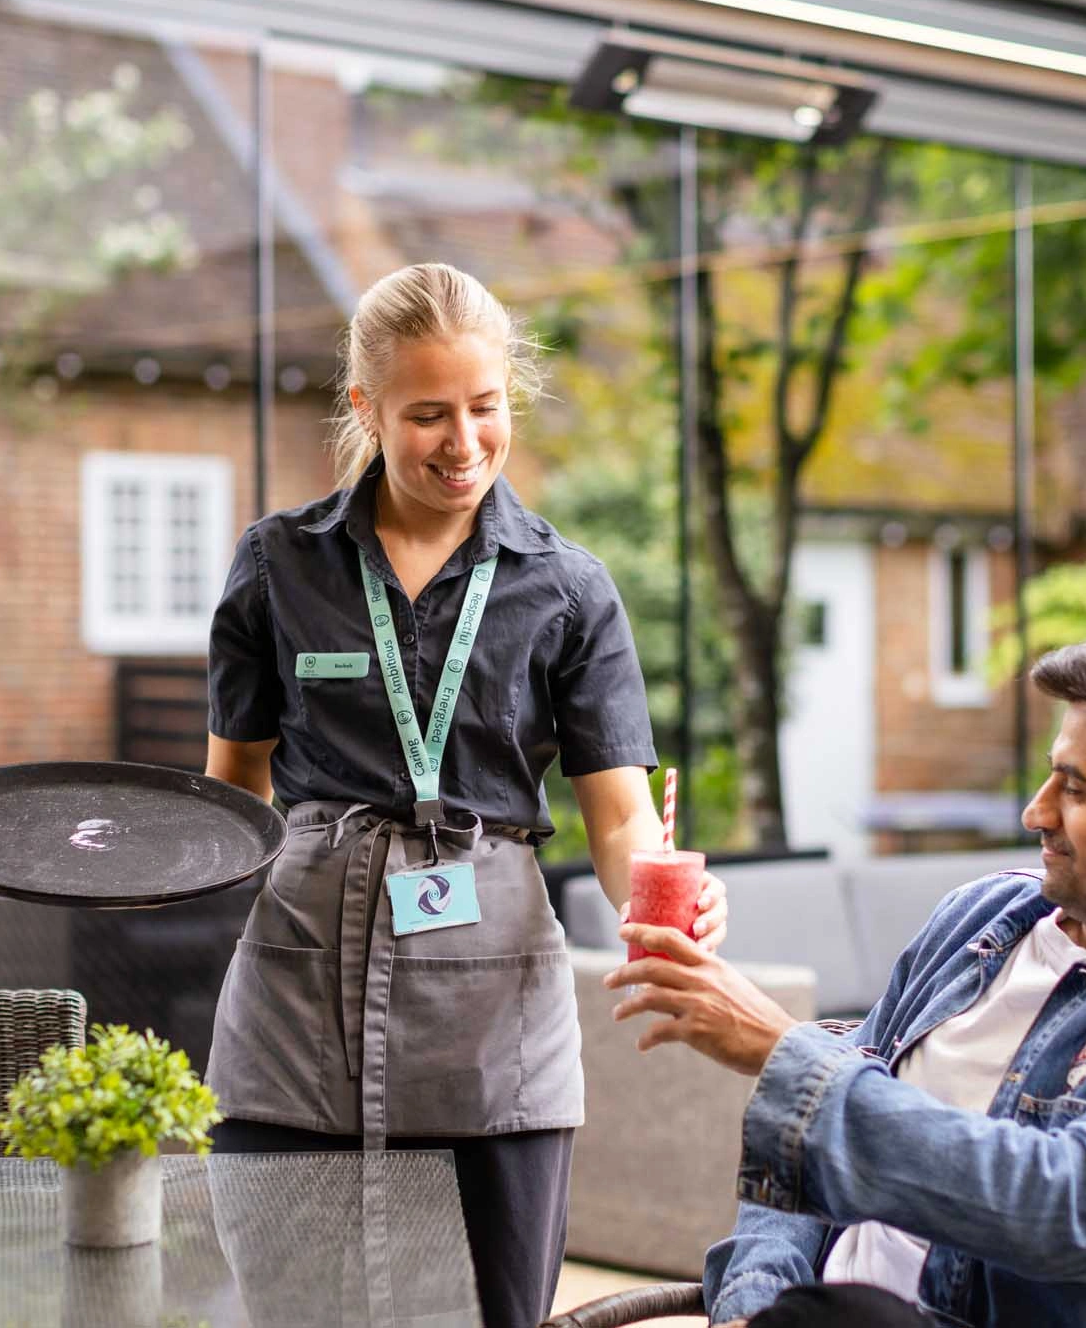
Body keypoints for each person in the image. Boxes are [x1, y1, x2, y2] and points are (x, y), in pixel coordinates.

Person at [202, 262, 727, 1328]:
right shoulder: (278, 568)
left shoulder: (567, 588)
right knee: (292, 1303)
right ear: (366, 409)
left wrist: (661, 915)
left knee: (495, 1309)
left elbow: (620, 814)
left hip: (492, 1004)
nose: (464, 442)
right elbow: (231, 792)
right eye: (427, 414)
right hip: (300, 985)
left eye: (484, 408)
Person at [609, 618, 1086, 1328]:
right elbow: (805, 1153)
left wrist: (782, 1052)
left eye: (1077, 789)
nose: (1036, 810)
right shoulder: (984, 918)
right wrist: (753, 1301)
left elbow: (1063, 1207)